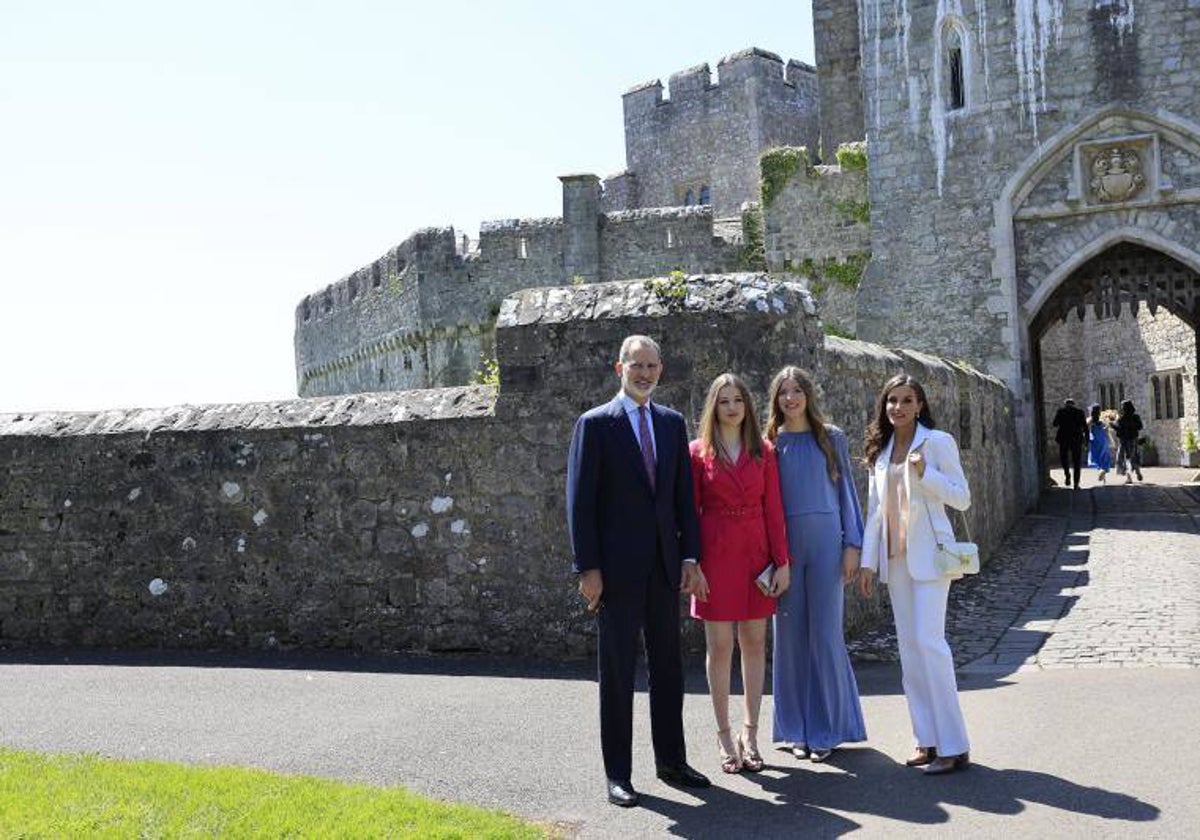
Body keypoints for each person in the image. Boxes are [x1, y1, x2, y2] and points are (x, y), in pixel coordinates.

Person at [566, 334, 711, 807]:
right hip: (615, 572)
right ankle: (619, 775)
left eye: (652, 366)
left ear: (660, 370)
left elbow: (682, 500)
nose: (645, 374)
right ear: (619, 369)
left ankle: (672, 761)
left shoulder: (671, 424)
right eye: (636, 366)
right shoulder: (596, 425)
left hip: (665, 569)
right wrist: (588, 568)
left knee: (669, 668)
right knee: (618, 673)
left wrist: (690, 556)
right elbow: (580, 504)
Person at [858, 374, 972, 775]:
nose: (899, 407)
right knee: (908, 649)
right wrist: (869, 562)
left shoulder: (937, 443)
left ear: (920, 405)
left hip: (932, 557)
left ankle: (954, 744)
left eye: (907, 400)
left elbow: (962, 497)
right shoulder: (882, 450)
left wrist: (927, 475)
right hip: (896, 559)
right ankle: (926, 738)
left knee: (930, 643)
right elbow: (875, 511)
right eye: (892, 400)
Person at [688, 373, 791, 774]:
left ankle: (751, 733)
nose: (732, 408)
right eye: (724, 401)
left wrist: (782, 562)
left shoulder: (764, 451)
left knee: (754, 642)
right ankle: (724, 734)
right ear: (714, 407)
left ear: (748, 406)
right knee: (719, 648)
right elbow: (690, 514)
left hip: (756, 555)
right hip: (714, 555)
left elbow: (775, 511)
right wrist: (692, 563)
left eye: (738, 401)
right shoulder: (697, 452)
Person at [764, 366, 867, 764]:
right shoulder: (770, 443)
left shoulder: (831, 438)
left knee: (825, 636)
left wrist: (853, 545)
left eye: (796, 391)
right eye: (783, 392)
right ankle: (794, 728)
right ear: (775, 399)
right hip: (786, 550)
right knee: (789, 638)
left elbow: (847, 494)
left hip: (827, 545)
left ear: (808, 395)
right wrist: (772, 558)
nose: (790, 398)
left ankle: (828, 727)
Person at [1051, 398, 1087, 488]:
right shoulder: (1079, 412)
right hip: (1076, 439)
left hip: (1064, 438)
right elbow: (1085, 426)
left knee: (1064, 458)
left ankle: (1067, 475)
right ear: (1073, 404)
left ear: (1065, 404)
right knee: (1077, 461)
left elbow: (1055, 424)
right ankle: (1076, 483)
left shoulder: (1061, 412)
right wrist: (1086, 439)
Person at [1115, 399, 1144, 484]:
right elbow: (1140, 426)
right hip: (1133, 439)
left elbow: (1119, 431)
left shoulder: (1121, 418)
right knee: (1133, 457)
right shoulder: (1135, 417)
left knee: (1126, 458)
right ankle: (1138, 472)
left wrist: (1113, 426)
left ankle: (1129, 477)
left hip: (1124, 441)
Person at [1087, 403, 1111, 484]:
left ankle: (1101, 470)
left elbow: (1087, 430)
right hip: (1104, 440)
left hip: (1095, 440)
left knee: (1095, 458)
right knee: (1104, 457)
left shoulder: (1090, 420)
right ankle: (1104, 476)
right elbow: (1106, 430)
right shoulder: (1102, 420)